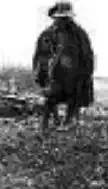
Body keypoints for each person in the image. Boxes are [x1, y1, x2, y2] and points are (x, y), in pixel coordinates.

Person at [33, 1, 94, 130]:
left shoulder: (79, 34)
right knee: (50, 98)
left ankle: (68, 121)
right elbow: (40, 55)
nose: (62, 21)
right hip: (54, 75)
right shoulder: (48, 34)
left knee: (74, 97)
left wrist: (85, 74)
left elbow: (87, 55)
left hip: (74, 76)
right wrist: (42, 71)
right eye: (60, 18)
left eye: (65, 18)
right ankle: (46, 123)